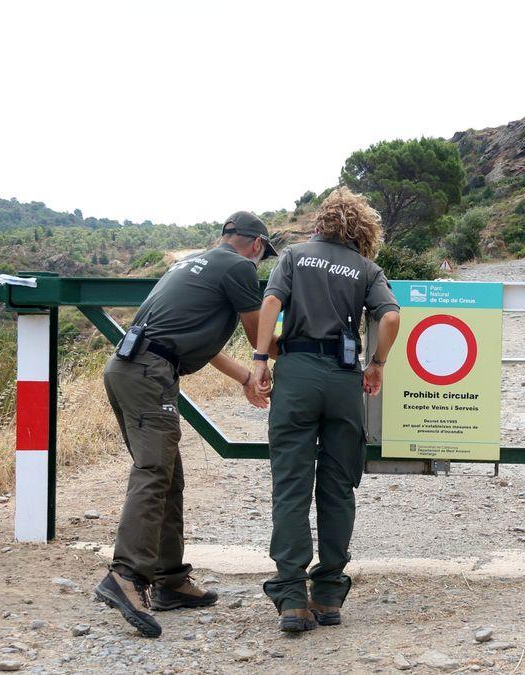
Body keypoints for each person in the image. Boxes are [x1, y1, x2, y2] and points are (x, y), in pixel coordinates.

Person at [93, 212, 277, 638]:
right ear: (256, 244)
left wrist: (247, 379)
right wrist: (291, 359)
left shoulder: (195, 262)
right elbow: (259, 338)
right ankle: (126, 576)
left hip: (131, 367)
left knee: (167, 475)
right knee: (154, 470)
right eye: (263, 252)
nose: (261, 259)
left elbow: (204, 345)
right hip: (149, 371)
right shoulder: (240, 268)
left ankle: (170, 581)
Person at [251, 188, 400, 633]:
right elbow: (390, 318)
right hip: (342, 379)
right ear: (362, 230)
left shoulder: (295, 256)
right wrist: (377, 364)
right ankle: (330, 594)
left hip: (296, 373)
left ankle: (293, 597)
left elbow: (272, 303)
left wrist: (261, 360)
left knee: (292, 483)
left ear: (322, 222)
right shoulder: (366, 268)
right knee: (337, 486)